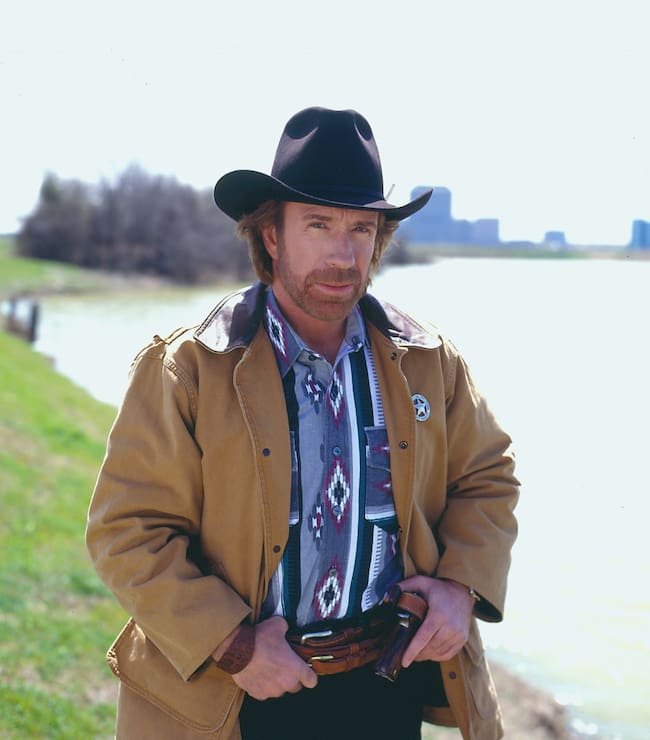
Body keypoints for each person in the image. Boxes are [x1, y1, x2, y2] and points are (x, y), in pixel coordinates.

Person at [86, 106, 519, 740]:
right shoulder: (188, 369)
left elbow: (488, 478)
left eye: (362, 229)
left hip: (385, 688)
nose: (344, 254)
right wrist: (235, 647)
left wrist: (461, 588)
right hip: (235, 694)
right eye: (318, 225)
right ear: (271, 235)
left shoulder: (429, 361)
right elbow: (127, 532)